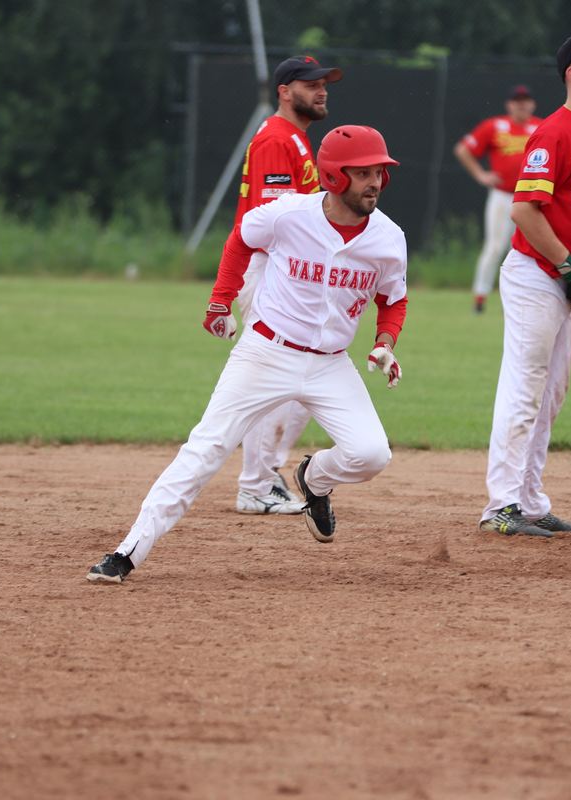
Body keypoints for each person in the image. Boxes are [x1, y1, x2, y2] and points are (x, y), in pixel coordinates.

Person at [88, 125, 408, 583]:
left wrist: (385, 343)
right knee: (207, 447)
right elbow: (242, 237)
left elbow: (393, 297)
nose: (375, 180)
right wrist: (221, 299)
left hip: (331, 363)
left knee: (373, 454)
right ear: (335, 177)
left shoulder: (388, 237)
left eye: (380, 171)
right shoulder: (289, 215)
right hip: (266, 353)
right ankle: (128, 551)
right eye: (363, 172)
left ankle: (314, 480)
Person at [479, 32, 571, 538]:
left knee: (551, 396)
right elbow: (523, 209)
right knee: (524, 388)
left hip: (565, 280)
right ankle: (501, 505)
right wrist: (569, 265)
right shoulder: (555, 132)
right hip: (536, 276)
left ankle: (531, 501)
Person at [232, 55, 342, 517]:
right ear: (284, 90)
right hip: (267, 270)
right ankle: (256, 484)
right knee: (272, 377)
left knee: (317, 373)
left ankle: (266, 476)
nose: (321, 91)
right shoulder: (278, 139)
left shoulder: (294, 139)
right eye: (310, 84)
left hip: (285, 273)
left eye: (324, 84)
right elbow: (274, 220)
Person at [453, 84, 542, 314]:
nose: (521, 104)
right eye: (517, 100)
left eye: (525, 100)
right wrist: (481, 175)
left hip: (531, 197)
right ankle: (480, 297)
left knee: (536, 247)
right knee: (495, 247)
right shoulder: (496, 125)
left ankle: (532, 296)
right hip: (503, 195)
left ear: (532, 104)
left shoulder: (541, 127)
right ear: (509, 104)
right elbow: (463, 149)